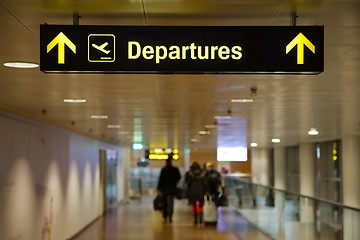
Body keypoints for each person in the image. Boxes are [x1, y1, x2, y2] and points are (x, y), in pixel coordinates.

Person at [157, 154, 181, 223]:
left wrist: (158, 189)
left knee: (164, 203)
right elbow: (179, 177)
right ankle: (170, 216)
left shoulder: (164, 170)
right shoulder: (175, 170)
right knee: (171, 204)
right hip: (172, 189)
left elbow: (160, 180)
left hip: (164, 189)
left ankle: (165, 216)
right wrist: (175, 183)